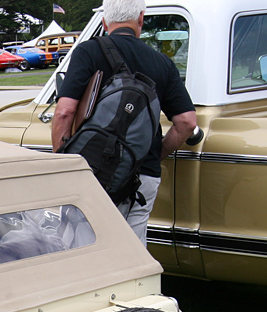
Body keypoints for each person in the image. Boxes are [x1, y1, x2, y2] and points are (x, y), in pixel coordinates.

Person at [51, 0, 196, 246]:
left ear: (105, 22)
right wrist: (155, 155)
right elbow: (187, 122)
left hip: (91, 171)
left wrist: (64, 162)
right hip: (142, 176)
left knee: (81, 249)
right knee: (131, 252)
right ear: (141, 19)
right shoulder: (162, 62)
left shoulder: (88, 51)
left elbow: (65, 111)